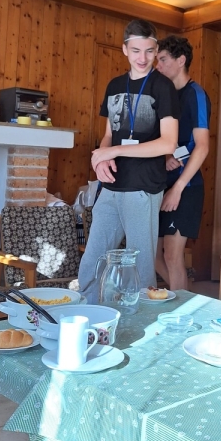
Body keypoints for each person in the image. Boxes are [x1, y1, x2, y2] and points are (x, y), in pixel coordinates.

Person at [78, 19, 179, 304]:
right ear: (124, 49)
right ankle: (89, 318)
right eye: (135, 51)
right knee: (92, 261)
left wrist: (114, 152)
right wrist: (101, 159)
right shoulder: (114, 85)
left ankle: (143, 327)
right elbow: (109, 136)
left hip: (143, 188)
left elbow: (168, 143)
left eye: (149, 51)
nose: (142, 58)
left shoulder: (163, 87)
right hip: (111, 186)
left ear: (155, 49)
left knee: (141, 267)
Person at [155, 35, 211, 290]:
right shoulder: (163, 94)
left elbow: (202, 145)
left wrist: (177, 188)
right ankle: (187, 298)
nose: (158, 66)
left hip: (186, 187)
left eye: (163, 60)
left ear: (181, 60)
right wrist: (166, 156)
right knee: (152, 255)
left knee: (171, 255)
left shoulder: (196, 94)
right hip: (159, 183)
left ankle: (182, 306)